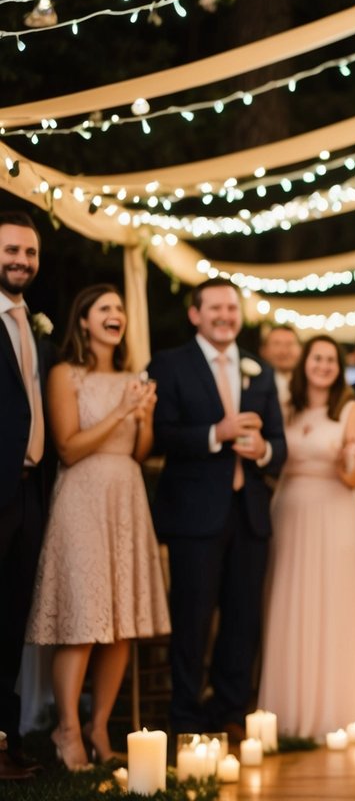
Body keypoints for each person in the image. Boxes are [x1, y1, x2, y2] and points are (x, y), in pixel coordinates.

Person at [25, 284, 170, 769]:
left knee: (122, 623)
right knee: (83, 622)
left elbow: (139, 452)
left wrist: (144, 418)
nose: (116, 314)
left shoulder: (133, 377)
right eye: (105, 308)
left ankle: (99, 728)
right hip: (82, 498)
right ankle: (66, 730)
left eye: (120, 309)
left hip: (126, 496)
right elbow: (68, 447)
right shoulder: (65, 374)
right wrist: (122, 410)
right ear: (84, 321)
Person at [148, 277, 286, 739]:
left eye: (232, 308)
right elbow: (161, 434)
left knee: (243, 619)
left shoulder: (259, 369)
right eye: (216, 308)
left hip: (249, 513)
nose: (226, 316)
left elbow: (279, 443)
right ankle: (186, 717)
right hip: (193, 515)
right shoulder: (169, 364)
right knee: (192, 619)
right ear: (195, 314)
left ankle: (230, 711)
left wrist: (264, 450)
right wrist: (216, 433)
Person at [259, 336, 355, 738]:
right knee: (287, 602)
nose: (324, 365)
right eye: (317, 358)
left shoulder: (351, 410)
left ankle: (336, 710)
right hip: (289, 511)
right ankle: (287, 711)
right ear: (304, 364)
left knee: (333, 603)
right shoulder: (284, 407)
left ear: (338, 368)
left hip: (337, 511)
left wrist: (347, 461)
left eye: (331, 360)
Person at [0, 211, 53, 780]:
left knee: (12, 621)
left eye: (30, 252)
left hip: (29, 493)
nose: (21, 260)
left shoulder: (31, 324)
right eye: (12, 250)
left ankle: (6, 741)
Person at [260, 324, 301, 407]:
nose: (284, 351)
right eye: (277, 344)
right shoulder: (255, 385)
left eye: (289, 344)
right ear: (263, 350)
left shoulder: (311, 383)